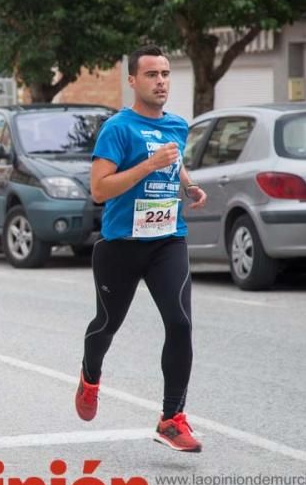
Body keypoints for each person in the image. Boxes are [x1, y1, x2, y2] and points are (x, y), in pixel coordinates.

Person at [75, 45, 208, 453]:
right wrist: (148, 166)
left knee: (181, 323)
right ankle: (90, 375)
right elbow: (100, 190)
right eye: (151, 74)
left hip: (168, 240)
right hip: (121, 246)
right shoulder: (118, 128)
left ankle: (171, 418)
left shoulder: (178, 126)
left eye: (166, 74)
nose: (161, 81)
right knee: (106, 326)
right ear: (133, 80)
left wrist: (187, 184)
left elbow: (174, 157)